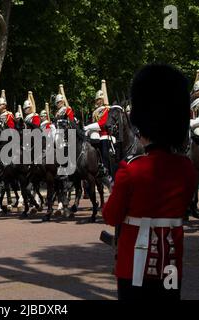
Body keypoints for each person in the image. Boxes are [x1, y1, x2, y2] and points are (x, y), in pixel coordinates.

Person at [102, 64, 197, 300]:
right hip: (171, 263)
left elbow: (111, 216)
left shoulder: (131, 169)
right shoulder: (186, 169)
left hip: (134, 265)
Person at [84, 90, 114, 177]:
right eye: (97, 100)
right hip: (96, 135)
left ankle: (106, 168)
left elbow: (103, 123)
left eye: (100, 99)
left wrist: (89, 127)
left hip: (105, 134)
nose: (98, 101)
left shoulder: (106, 109)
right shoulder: (95, 111)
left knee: (104, 152)